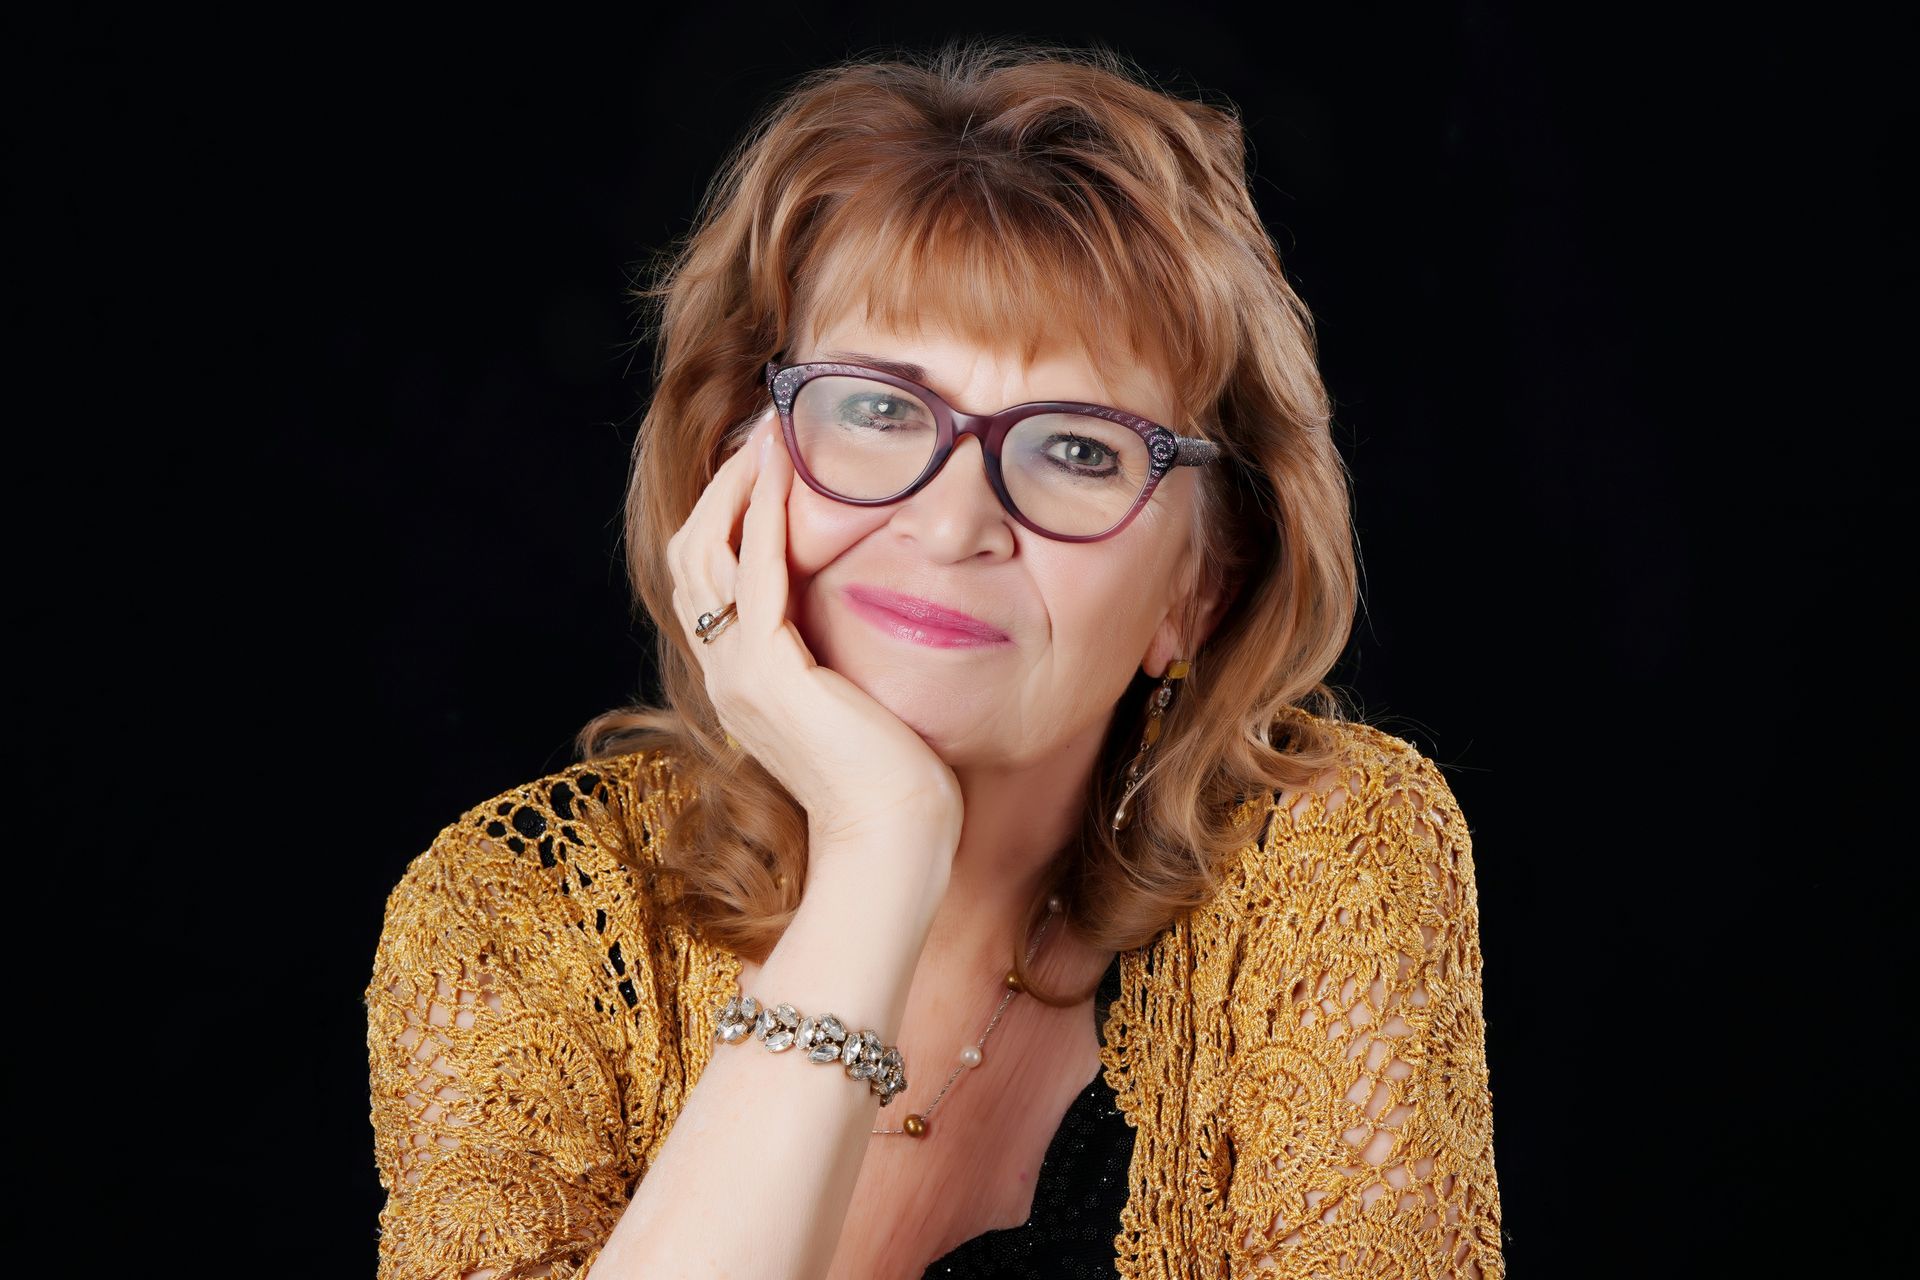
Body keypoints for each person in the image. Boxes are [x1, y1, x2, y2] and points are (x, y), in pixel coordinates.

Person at [366, 38, 1504, 1280]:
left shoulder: (1325, 863)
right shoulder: (521, 912)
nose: (952, 523)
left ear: (1196, 586)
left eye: (1076, 448)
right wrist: (881, 841)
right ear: (730, 476)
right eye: (876, 408)